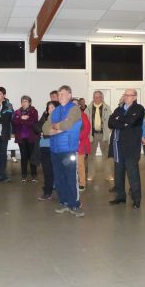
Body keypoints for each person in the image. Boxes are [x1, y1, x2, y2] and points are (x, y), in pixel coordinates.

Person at [42, 85, 84, 217]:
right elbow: (44, 128)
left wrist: (54, 127)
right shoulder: (56, 110)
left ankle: (74, 205)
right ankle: (64, 202)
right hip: (55, 150)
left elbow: (68, 124)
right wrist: (57, 129)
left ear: (70, 95)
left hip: (68, 149)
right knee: (59, 178)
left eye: (63, 94)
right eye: (59, 94)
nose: (60, 97)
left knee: (71, 178)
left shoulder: (74, 109)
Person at [108, 88, 145, 209]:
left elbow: (132, 121)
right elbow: (110, 123)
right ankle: (120, 197)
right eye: (125, 95)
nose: (127, 97)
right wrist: (123, 122)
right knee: (118, 174)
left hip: (131, 147)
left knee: (133, 174)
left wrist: (119, 119)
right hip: (117, 146)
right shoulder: (118, 109)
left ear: (135, 97)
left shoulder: (139, 109)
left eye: (129, 95)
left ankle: (136, 199)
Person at [85, 90, 112, 183]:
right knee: (91, 156)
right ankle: (91, 174)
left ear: (102, 98)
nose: (97, 99)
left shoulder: (107, 108)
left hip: (103, 134)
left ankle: (108, 174)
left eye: (99, 97)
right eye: (95, 97)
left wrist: (108, 131)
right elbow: (85, 122)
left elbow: (110, 121)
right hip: (92, 135)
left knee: (106, 155)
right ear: (93, 98)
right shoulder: (88, 109)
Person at [12, 95, 39, 182]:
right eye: (22, 101)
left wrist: (21, 120)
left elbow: (33, 122)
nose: (24, 103)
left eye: (26, 101)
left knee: (32, 156)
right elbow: (14, 122)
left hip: (31, 137)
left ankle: (34, 175)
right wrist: (22, 118)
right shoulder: (17, 112)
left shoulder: (34, 111)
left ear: (29, 103)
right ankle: (23, 175)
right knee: (23, 156)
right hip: (21, 138)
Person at [36, 101, 59, 201]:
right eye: (49, 108)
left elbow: (56, 132)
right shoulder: (45, 117)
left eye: (52, 107)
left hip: (54, 147)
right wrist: (42, 131)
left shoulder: (59, 119)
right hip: (44, 147)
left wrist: (45, 133)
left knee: (56, 171)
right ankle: (47, 192)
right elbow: (36, 127)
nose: (50, 109)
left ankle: (61, 192)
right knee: (47, 171)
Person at [73, 98, 91, 191]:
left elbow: (87, 129)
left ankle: (82, 182)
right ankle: (72, 181)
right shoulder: (66, 116)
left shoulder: (83, 115)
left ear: (79, 105)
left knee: (80, 164)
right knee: (71, 165)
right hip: (69, 145)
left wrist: (77, 138)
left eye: (76, 104)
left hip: (80, 143)